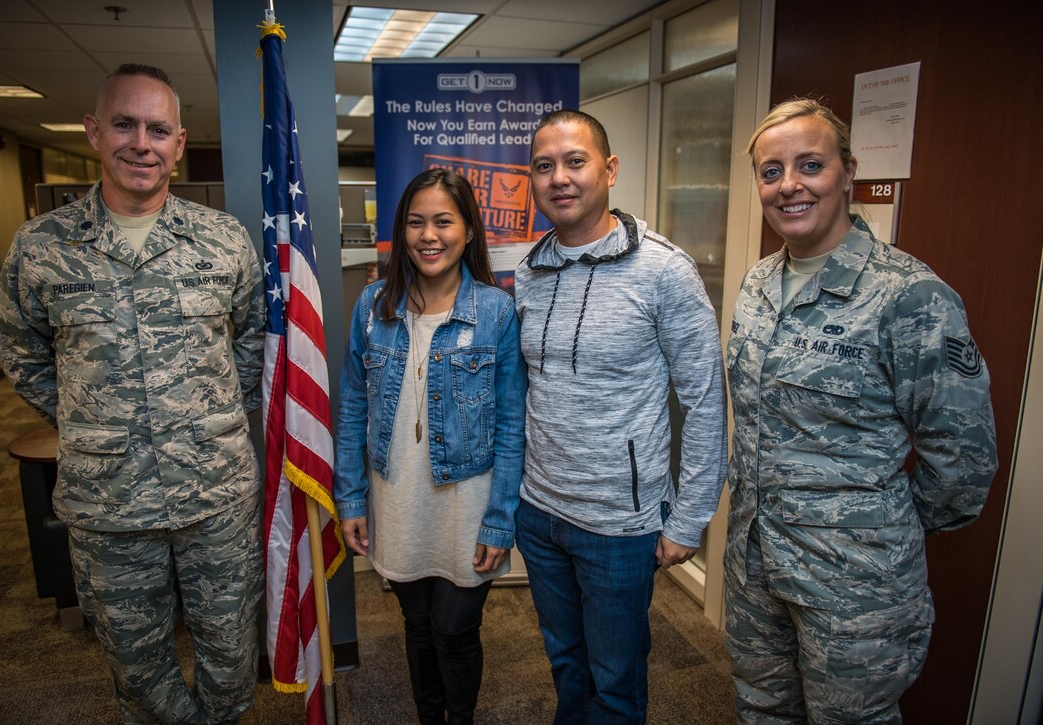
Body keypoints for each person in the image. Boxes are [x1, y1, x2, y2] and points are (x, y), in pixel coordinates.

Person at [0, 64, 264, 723]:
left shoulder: (223, 239)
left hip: (215, 497)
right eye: (124, 124)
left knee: (232, 659)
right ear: (93, 132)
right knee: (138, 673)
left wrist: (202, 416)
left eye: (158, 129)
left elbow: (254, 340)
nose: (141, 142)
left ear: (179, 142)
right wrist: (94, 417)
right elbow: (19, 347)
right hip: (110, 502)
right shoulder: (42, 248)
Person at [725, 98, 999, 723]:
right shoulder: (758, 284)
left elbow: (962, 462)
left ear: (847, 173)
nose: (788, 185)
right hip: (754, 565)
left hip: (855, 589)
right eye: (771, 171)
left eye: (810, 165)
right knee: (761, 711)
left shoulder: (910, 297)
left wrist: (874, 529)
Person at [514, 109, 728, 723]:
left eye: (575, 162)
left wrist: (689, 518)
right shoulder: (530, 271)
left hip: (620, 525)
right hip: (541, 511)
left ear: (609, 169)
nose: (560, 178)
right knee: (565, 665)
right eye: (544, 166)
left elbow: (706, 400)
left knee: (616, 680)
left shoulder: (664, 271)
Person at [334, 168, 527, 725]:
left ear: (468, 230)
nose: (429, 235)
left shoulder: (495, 310)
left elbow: (513, 422)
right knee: (416, 626)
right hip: (396, 498)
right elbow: (352, 405)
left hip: (467, 505)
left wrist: (499, 520)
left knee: (455, 630)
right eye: (416, 222)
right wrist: (350, 499)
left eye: (444, 220)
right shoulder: (373, 305)